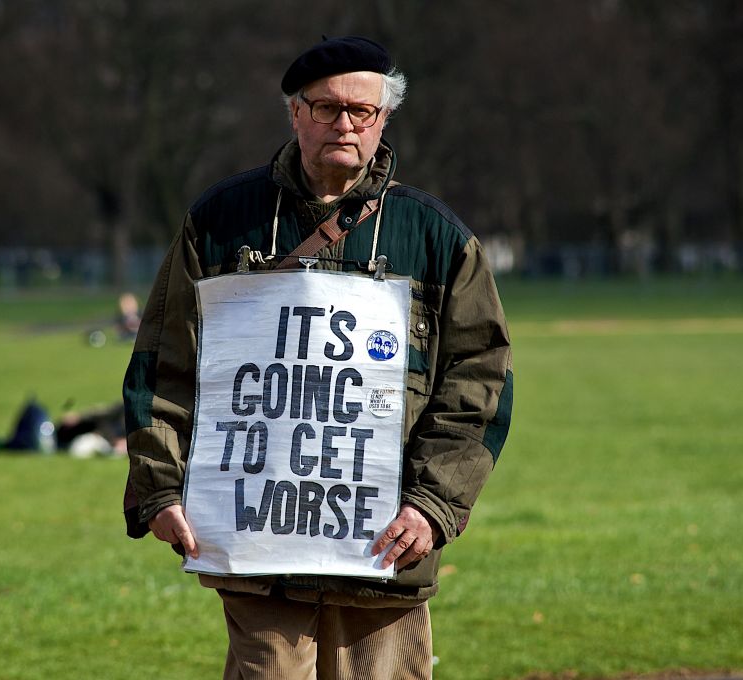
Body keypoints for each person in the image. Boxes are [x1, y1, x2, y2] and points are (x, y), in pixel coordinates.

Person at [122, 36, 513, 679]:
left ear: (384, 119)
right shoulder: (221, 223)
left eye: (363, 110)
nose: (346, 123)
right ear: (295, 113)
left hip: (386, 555)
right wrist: (160, 487)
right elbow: (162, 369)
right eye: (327, 107)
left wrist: (433, 504)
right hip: (258, 555)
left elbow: (479, 384)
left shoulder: (436, 237)